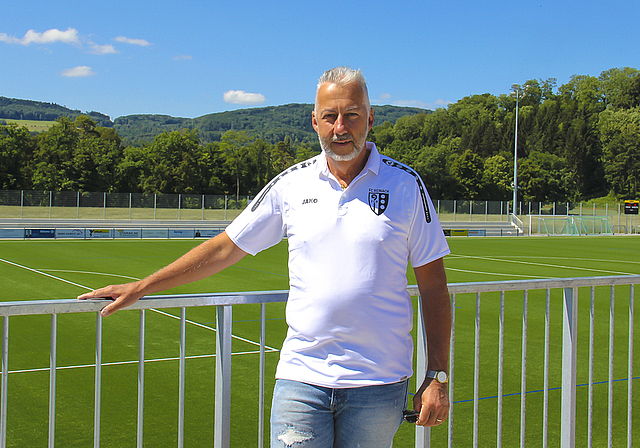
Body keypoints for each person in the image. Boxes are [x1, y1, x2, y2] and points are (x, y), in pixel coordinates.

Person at [78, 66, 451, 448]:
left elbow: (435, 288)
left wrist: (437, 375)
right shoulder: (292, 184)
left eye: (352, 115)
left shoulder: (406, 185)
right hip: (301, 380)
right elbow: (225, 247)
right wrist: (143, 286)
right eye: (330, 116)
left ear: (370, 118)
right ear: (314, 122)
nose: (341, 127)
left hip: (378, 384)